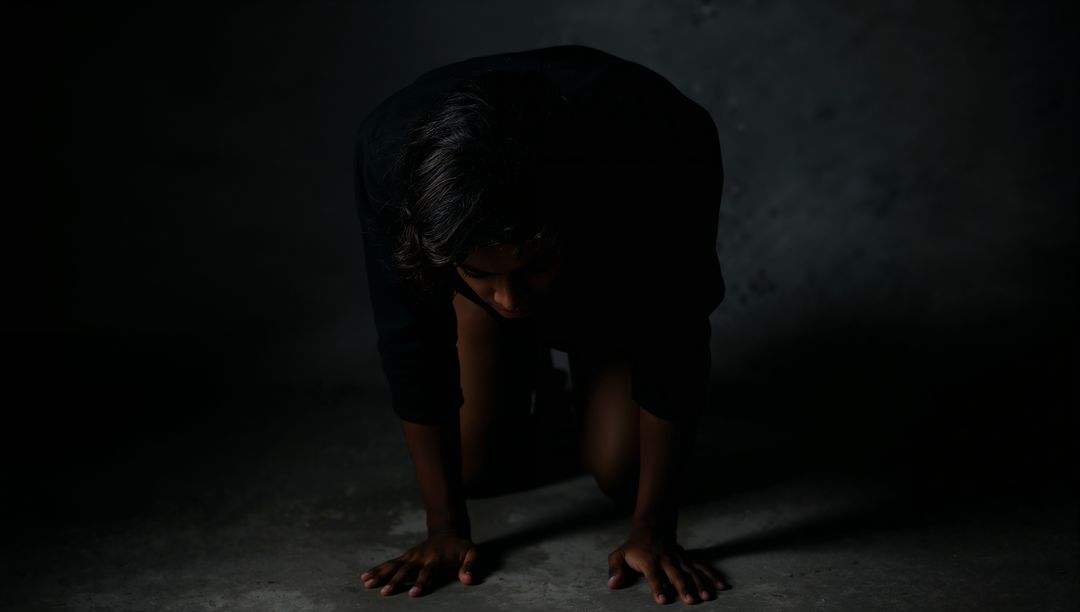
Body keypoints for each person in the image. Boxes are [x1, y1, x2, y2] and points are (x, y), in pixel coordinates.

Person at [354, 45, 727, 605]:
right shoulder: (389, 160)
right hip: (499, 262)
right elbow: (410, 341)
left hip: (612, 275)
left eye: (530, 267)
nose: (508, 298)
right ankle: (527, 366)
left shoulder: (663, 146)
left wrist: (653, 530)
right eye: (480, 272)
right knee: (472, 471)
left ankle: (584, 361)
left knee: (621, 474)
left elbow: (676, 335)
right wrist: (445, 529)